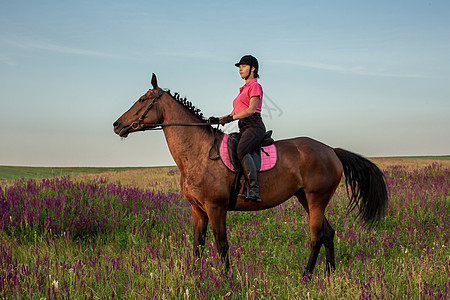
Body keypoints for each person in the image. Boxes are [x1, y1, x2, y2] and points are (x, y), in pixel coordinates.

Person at [210, 55, 266, 203]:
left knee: (242, 149)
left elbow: (251, 110)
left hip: (254, 126)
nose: (240, 69)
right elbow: (233, 113)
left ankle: (254, 190)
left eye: (243, 66)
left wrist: (231, 119)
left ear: (253, 68)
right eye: (239, 67)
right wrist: (218, 120)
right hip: (244, 127)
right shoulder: (243, 90)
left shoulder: (255, 86)